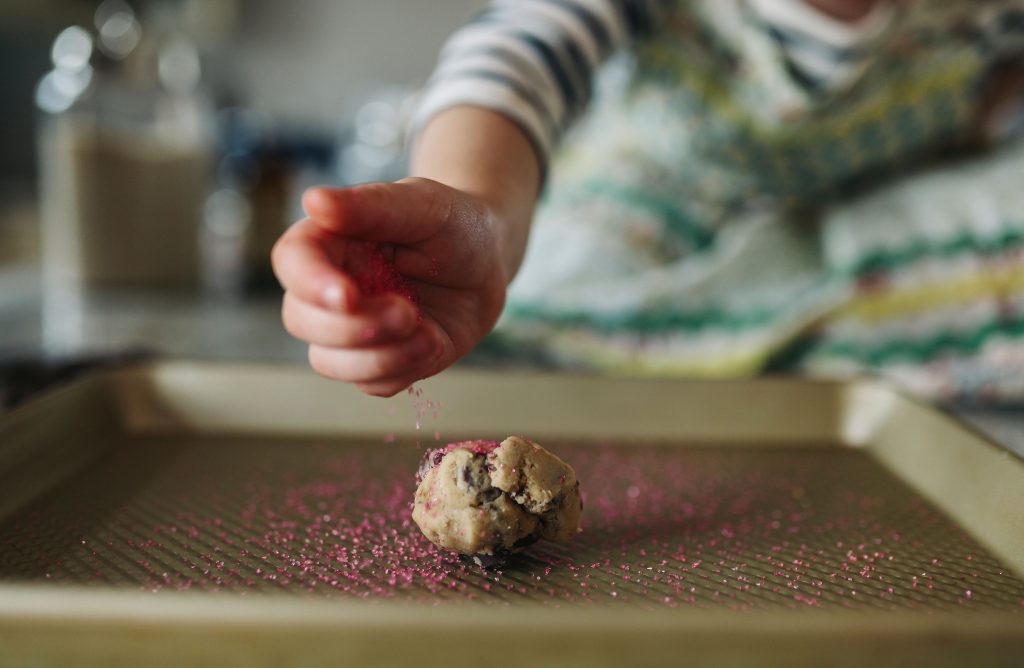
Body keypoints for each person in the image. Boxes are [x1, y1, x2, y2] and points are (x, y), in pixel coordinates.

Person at [272, 0, 1024, 401]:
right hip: (647, 212)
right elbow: (516, 59)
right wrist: (476, 209)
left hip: (865, 216)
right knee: (578, 267)